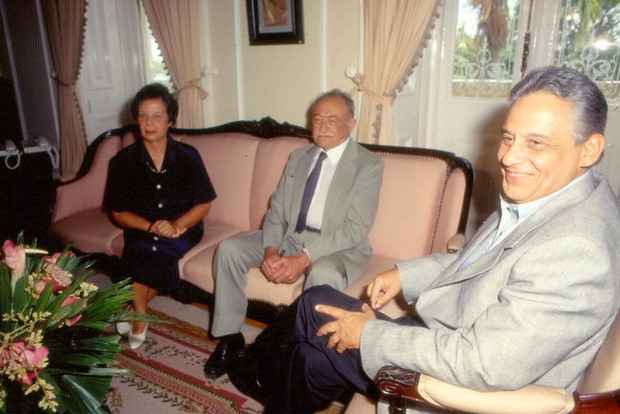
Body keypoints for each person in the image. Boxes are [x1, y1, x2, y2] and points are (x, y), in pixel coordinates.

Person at [237, 66, 620, 413]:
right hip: (455, 340)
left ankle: (252, 368)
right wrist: (404, 275)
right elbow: (477, 261)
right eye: (508, 138)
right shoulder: (552, 199)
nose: (509, 156)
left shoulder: (577, 249)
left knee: (314, 308)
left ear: (589, 149)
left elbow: (482, 365)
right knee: (313, 355)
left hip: (465, 388)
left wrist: (371, 334)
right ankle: (273, 389)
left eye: (535, 143)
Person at [203, 89, 384, 380]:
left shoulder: (367, 164)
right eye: (317, 118)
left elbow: (355, 229)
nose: (322, 125)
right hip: (290, 237)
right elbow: (275, 211)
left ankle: (302, 358)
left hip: (339, 246)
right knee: (229, 250)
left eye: (332, 119)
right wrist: (271, 251)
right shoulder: (299, 156)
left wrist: (303, 259)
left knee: (324, 275)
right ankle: (229, 339)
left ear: (351, 123)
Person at [103, 83, 216, 349]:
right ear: (135, 120)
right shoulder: (122, 162)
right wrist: (150, 226)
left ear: (170, 120)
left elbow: (204, 203)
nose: (149, 122)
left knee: (159, 253)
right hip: (142, 228)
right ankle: (140, 315)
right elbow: (118, 212)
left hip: (183, 227)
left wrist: (177, 225)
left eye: (156, 116)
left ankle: (134, 310)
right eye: (143, 116)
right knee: (140, 252)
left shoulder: (188, 156)